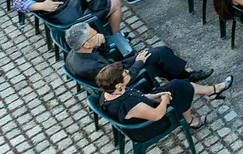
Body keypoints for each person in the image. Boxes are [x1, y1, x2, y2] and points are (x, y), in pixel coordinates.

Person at [95, 61, 231, 136]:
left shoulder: (109, 92)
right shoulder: (128, 104)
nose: (128, 72)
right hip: (149, 126)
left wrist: (154, 96)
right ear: (118, 85)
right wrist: (164, 100)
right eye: (125, 74)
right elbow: (157, 115)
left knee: (177, 84)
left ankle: (211, 91)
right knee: (180, 92)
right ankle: (192, 121)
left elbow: (140, 98)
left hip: (143, 108)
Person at [66, 22, 211, 85]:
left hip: (115, 69)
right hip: (123, 79)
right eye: (94, 34)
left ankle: (185, 77)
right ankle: (186, 78)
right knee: (160, 59)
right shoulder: (91, 67)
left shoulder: (76, 52)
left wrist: (102, 42)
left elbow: (105, 54)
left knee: (161, 53)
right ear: (85, 44)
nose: (97, 34)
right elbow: (122, 80)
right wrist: (138, 63)